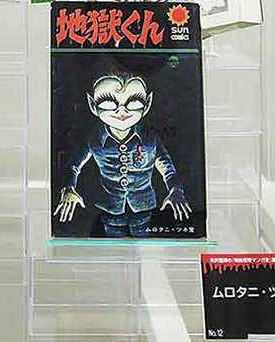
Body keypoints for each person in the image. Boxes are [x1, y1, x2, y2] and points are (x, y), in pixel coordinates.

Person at [54, 74, 191, 237]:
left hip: (144, 206)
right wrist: (69, 187)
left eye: (133, 104)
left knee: (142, 242)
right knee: (114, 243)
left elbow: (168, 169)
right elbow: (73, 165)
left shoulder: (150, 138)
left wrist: (176, 190)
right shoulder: (93, 139)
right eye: (108, 104)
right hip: (109, 207)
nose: (121, 111)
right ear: (93, 106)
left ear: (147, 105)